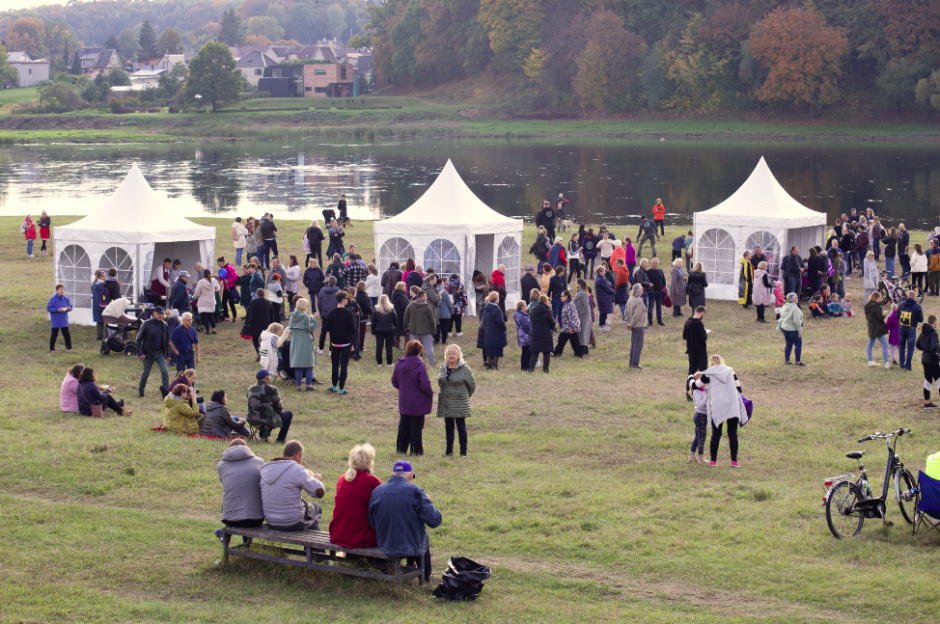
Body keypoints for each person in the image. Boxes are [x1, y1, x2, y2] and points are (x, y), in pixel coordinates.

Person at [369, 460, 442, 583]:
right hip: (410, 545)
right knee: (419, 534)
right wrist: (427, 502)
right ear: (411, 475)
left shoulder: (377, 491)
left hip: (385, 543)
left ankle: (409, 564)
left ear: (392, 475)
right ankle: (424, 577)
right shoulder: (415, 491)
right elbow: (434, 521)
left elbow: (372, 522)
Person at [691, 355, 746, 467]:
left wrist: (690, 378)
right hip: (732, 404)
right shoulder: (731, 371)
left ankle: (713, 461)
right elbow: (739, 389)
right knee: (732, 434)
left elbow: (696, 386)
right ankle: (734, 461)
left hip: (717, 405)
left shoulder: (709, 373)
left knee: (716, 434)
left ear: (711, 363)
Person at [260, 440, 325, 531]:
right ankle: (313, 544)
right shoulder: (296, 469)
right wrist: (316, 479)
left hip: (271, 521)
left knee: (309, 516)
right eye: (301, 456)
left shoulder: (266, 469)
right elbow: (318, 492)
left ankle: (311, 545)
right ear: (297, 455)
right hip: (292, 522)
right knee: (316, 508)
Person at [330, 444, 382, 549]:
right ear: (369, 463)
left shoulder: (342, 478)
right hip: (360, 536)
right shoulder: (372, 481)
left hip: (338, 533)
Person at [216, 438, 265, 543]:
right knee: (247, 508)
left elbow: (224, 483)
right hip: (257, 517)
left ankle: (223, 535)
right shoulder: (260, 461)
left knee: (237, 508)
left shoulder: (221, 466)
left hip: (231, 519)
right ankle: (247, 545)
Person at [392, 340, 434, 455]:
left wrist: (403, 389)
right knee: (416, 427)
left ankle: (401, 449)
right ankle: (416, 451)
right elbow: (424, 384)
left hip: (404, 400)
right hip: (418, 401)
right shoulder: (419, 365)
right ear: (419, 351)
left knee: (403, 426)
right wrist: (430, 393)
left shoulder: (399, 364)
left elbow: (394, 381)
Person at [437, 344, 476, 456]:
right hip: (446, 402)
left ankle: (463, 452)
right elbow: (441, 382)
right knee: (448, 428)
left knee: (461, 427)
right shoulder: (443, 368)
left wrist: (463, 397)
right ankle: (448, 451)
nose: (451, 356)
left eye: (454, 353)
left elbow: (472, 385)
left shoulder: (465, 369)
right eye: (449, 354)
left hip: (459, 403)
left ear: (459, 355)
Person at [247, 369, 294, 443]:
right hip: (267, 421)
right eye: (270, 376)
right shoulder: (272, 389)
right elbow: (279, 407)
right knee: (288, 414)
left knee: (267, 414)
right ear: (266, 378)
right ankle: (280, 440)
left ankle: (263, 435)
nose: (271, 377)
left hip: (253, 421)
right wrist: (277, 412)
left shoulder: (250, 389)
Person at [323, 291, 357, 394]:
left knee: (335, 365)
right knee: (344, 365)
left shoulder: (331, 312)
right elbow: (353, 329)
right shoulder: (348, 313)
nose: (348, 300)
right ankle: (341, 388)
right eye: (347, 298)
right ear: (343, 300)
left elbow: (326, 327)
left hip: (335, 342)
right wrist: (353, 344)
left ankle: (334, 386)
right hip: (346, 343)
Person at [137, 306, 170, 398]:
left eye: (162, 313)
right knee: (146, 373)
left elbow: (167, 341)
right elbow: (138, 339)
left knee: (165, 372)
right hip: (148, 353)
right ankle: (141, 391)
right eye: (159, 313)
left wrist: (168, 354)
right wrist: (140, 352)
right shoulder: (147, 324)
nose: (160, 315)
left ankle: (166, 393)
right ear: (153, 313)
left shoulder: (165, 325)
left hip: (160, 352)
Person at [288, 298, 319, 391]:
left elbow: (290, 328)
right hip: (305, 340)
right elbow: (310, 328)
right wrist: (314, 320)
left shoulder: (292, 316)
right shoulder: (306, 317)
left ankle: (299, 386)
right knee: (309, 363)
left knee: (298, 364)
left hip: (295, 340)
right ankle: (309, 385)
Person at [403, 288, 437, 366]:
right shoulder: (428, 307)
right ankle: (432, 363)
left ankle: (414, 363)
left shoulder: (410, 305)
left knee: (414, 349)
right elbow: (432, 320)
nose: (426, 298)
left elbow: (405, 317)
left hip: (414, 330)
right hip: (426, 331)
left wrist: (405, 326)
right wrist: (434, 330)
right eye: (425, 296)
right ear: (422, 297)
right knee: (429, 348)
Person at [917, 315, 940, 409]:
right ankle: (927, 404)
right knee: (939, 380)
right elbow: (934, 348)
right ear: (934, 322)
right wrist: (938, 356)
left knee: (927, 381)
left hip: (925, 360)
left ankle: (927, 403)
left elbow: (918, 345)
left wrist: (926, 350)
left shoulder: (922, 333)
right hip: (932, 361)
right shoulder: (933, 333)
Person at [897, 290, 924, 371]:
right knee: (910, 348)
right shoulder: (917, 306)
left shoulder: (901, 304)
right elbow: (921, 319)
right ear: (915, 297)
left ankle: (901, 364)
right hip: (911, 328)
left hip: (901, 327)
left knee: (901, 346)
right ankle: (908, 365)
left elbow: (898, 316)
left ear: (907, 296)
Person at [481, 291, 507, 369]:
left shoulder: (486, 308)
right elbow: (500, 322)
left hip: (488, 331)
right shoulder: (496, 309)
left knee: (489, 348)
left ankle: (489, 365)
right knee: (496, 348)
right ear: (496, 299)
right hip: (496, 332)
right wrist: (504, 328)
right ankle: (495, 365)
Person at [244, 289, 273, 359]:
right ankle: (262, 354)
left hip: (255, 323)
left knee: (255, 338)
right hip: (266, 323)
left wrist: (248, 323)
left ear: (257, 295)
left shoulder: (254, 302)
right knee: (263, 339)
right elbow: (271, 314)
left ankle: (259, 353)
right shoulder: (268, 302)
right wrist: (272, 323)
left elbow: (250, 314)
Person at [553, 289, 583, 358]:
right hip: (572, 326)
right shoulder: (568, 304)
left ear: (566, 296)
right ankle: (579, 354)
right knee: (574, 341)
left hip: (569, 327)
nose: (561, 297)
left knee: (561, 339)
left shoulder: (568, 305)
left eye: (562, 296)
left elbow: (571, 317)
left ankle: (557, 353)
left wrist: (570, 328)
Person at [864, 291, 891, 369]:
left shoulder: (867, 305)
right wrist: (884, 313)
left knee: (870, 345)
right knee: (885, 345)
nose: (880, 300)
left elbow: (870, 316)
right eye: (879, 298)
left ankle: (870, 361)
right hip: (877, 328)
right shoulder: (875, 306)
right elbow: (880, 317)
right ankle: (886, 362)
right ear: (876, 298)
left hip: (871, 327)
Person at [777, 293, 805, 366]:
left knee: (788, 344)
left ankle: (787, 360)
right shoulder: (794, 308)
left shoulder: (784, 306)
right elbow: (796, 321)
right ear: (793, 299)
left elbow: (782, 316)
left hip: (785, 328)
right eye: (796, 297)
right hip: (792, 329)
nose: (798, 298)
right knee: (798, 344)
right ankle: (798, 361)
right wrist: (799, 330)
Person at [624, 284, 647, 369]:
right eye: (641, 288)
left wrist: (628, 323)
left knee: (633, 344)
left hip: (633, 325)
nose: (643, 290)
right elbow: (637, 315)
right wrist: (631, 324)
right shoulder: (639, 301)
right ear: (638, 291)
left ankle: (631, 362)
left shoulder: (630, 299)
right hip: (639, 325)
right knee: (638, 345)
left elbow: (626, 313)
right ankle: (635, 364)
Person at [371, 294, 398, 367]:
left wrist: (373, 331)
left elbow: (373, 322)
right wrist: (395, 329)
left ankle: (379, 363)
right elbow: (395, 320)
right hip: (390, 329)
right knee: (389, 346)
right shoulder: (391, 309)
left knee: (379, 346)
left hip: (379, 329)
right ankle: (389, 363)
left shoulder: (376, 309)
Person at [688, 375, 708, 464]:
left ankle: (691, 456)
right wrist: (707, 397)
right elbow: (700, 404)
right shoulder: (696, 391)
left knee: (698, 437)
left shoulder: (704, 390)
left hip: (702, 415)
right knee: (701, 437)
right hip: (701, 416)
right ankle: (701, 458)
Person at [47, 283, 72, 353]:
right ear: (57, 290)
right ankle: (52, 349)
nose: (62, 291)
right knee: (54, 335)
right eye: (60, 289)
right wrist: (57, 310)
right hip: (56, 320)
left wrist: (68, 308)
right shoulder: (53, 299)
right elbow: (49, 308)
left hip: (64, 320)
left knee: (66, 334)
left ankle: (69, 347)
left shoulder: (66, 299)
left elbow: (70, 307)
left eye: (63, 289)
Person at [191, 270, 217, 335]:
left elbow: (197, 292)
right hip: (211, 301)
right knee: (211, 316)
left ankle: (208, 331)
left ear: (203, 274)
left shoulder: (201, 282)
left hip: (203, 302)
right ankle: (214, 330)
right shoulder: (213, 281)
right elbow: (216, 289)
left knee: (205, 316)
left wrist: (196, 297)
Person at [594, 265, 615, 331]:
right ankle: (602, 325)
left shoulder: (601, 278)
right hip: (603, 297)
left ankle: (603, 324)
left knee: (604, 311)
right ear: (600, 272)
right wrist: (613, 291)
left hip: (603, 297)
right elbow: (607, 288)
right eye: (603, 271)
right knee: (603, 312)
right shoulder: (600, 279)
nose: (605, 272)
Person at [647, 258, 667, 326]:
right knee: (651, 307)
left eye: (656, 263)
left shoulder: (660, 271)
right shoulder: (649, 271)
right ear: (651, 263)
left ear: (658, 264)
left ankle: (659, 320)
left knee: (659, 307)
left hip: (660, 292)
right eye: (653, 263)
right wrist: (650, 289)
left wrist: (663, 289)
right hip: (652, 292)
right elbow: (647, 281)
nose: (655, 264)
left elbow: (663, 280)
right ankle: (650, 321)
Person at [574, 279, 591, 355]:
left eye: (576, 283)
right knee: (581, 332)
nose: (575, 284)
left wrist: (580, 313)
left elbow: (586, 305)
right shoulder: (580, 292)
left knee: (583, 332)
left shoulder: (583, 293)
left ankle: (583, 347)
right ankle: (582, 346)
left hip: (583, 316)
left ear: (579, 284)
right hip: (580, 316)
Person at [435, 281, 453, 345]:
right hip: (445, 312)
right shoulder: (444, 291)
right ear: (441, 283)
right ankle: (444, 340)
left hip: (436, 312)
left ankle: (436, 340)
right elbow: (449, 302)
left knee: (437, 327)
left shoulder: (433, 290)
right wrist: (451, 310)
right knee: (445, 327)